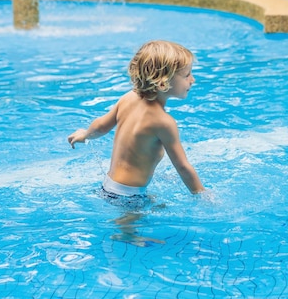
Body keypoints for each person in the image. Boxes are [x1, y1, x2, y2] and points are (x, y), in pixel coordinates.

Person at [68, 40, 205, 197]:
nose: (192, 80)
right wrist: (201, 194)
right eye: (186, 75)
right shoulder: (164, 122)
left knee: (157, 205)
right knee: (134, 221)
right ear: (162, 83)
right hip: (129, 197)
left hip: (109, 186)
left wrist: (85, 135)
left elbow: (101, 126)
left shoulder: (129, 97)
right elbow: (182, 166)